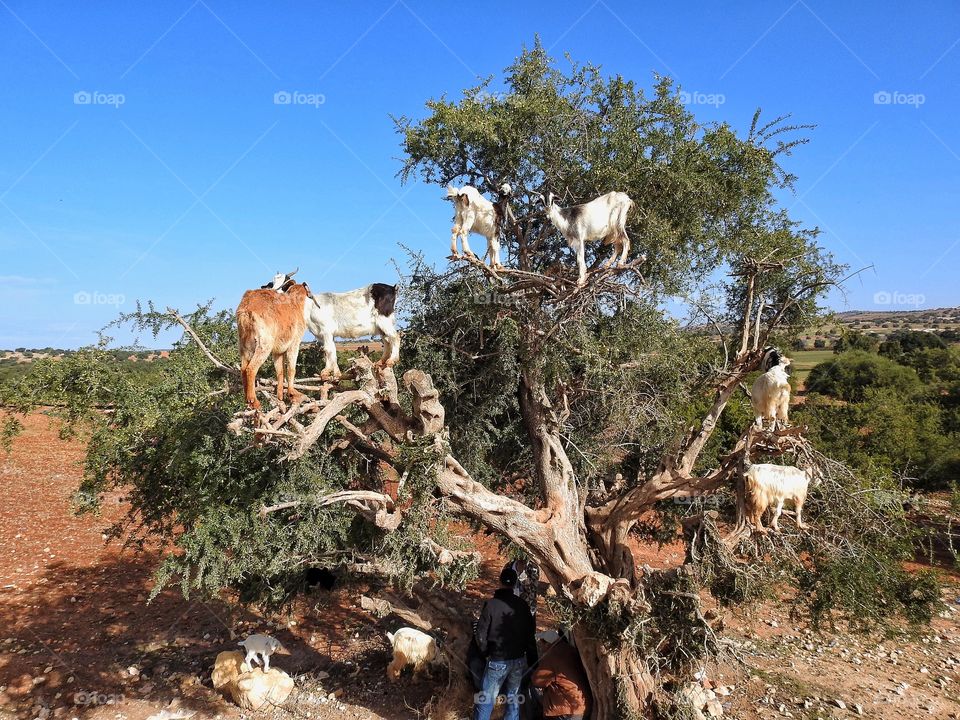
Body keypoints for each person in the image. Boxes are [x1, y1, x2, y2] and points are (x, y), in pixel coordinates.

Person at [473, 566, 537, 720]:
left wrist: (485, 653)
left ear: (499, 581)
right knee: (513, 700)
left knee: (486, 701)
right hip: (518, 660)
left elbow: (480, 635)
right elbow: (530, 635)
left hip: (497, 661)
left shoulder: (491, 605)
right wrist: (533, 661)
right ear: (515, 584)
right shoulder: (523, 605)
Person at [531, 631, 592, 720]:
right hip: (582, 705)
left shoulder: (552, 656)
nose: (541, 646)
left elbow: (536, 680)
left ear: (547, 644)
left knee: (531, 688)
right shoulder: (570, 649)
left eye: (541, 643)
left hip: (565, 709)